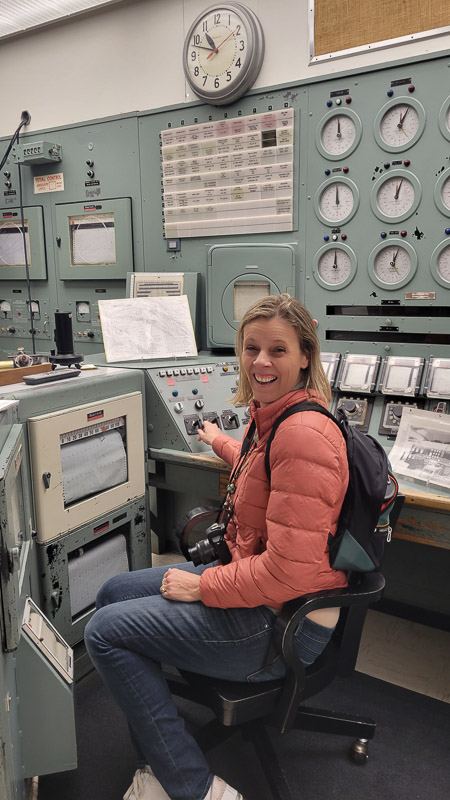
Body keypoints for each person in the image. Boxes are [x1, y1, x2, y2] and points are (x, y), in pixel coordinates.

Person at [85, 294, 349, 800]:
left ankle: (195, 787)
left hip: (278, 626)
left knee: (105, 632)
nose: (261, 362)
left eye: (278, 350)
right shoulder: (274, 417)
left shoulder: (302, 435)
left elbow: (286, 574)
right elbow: (263, 467)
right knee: (114, 592)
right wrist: (219, 441)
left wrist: (202, 585)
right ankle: (159, 765)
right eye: (252, 348)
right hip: (263, 598)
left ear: (305, 357)